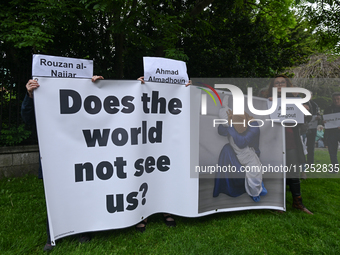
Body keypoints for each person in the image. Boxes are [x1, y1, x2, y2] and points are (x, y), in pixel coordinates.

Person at [21, 75, 104, 251]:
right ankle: (53, 234)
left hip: (81, 157)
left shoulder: (85, 98)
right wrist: (30, 96)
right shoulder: (45, 100)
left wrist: (98, 88)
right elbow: (28, 119)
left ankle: (82, 230)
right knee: (54, 196)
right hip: (54, 158)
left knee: (80, 193)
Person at [265, 74, 313, 214]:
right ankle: (277, 203)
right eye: (277, 83)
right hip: (273, 141)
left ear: (287, 85)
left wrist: (306, 108)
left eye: (282, 82)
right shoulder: (266, 100)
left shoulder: (296, 99)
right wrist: (269, 104)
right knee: (276, 172)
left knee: (293, 172)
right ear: (273, 86)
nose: (280, 85)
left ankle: (298, 202)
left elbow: (308, 117)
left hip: (291, 140)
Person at [135, 76, 177, 232]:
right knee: (146, 172)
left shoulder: (173, 93)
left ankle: (167, 209)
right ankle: (144, 214)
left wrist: (188, 90)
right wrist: (136, 85)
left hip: (166, 137)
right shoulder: (142, 87)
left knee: (165, 172)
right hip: (145, 136)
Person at [213, 95, 267, 202]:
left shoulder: (253, 125)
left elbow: (241, 142)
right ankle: (225, 186)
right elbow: (221, 130)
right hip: (238, 154)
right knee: (226, 149)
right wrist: (227, 122)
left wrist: (231, 125)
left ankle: (256, 188)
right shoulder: (233, 121)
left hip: (250, 154)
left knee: (255, 170)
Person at [323, 92, 340, 171]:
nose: (336, 101)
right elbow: (325, 119)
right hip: (331, 133)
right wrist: (324, 122)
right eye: (334, 99)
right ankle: (335, 168)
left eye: (338, 99)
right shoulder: (328, 109)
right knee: (332, 152)